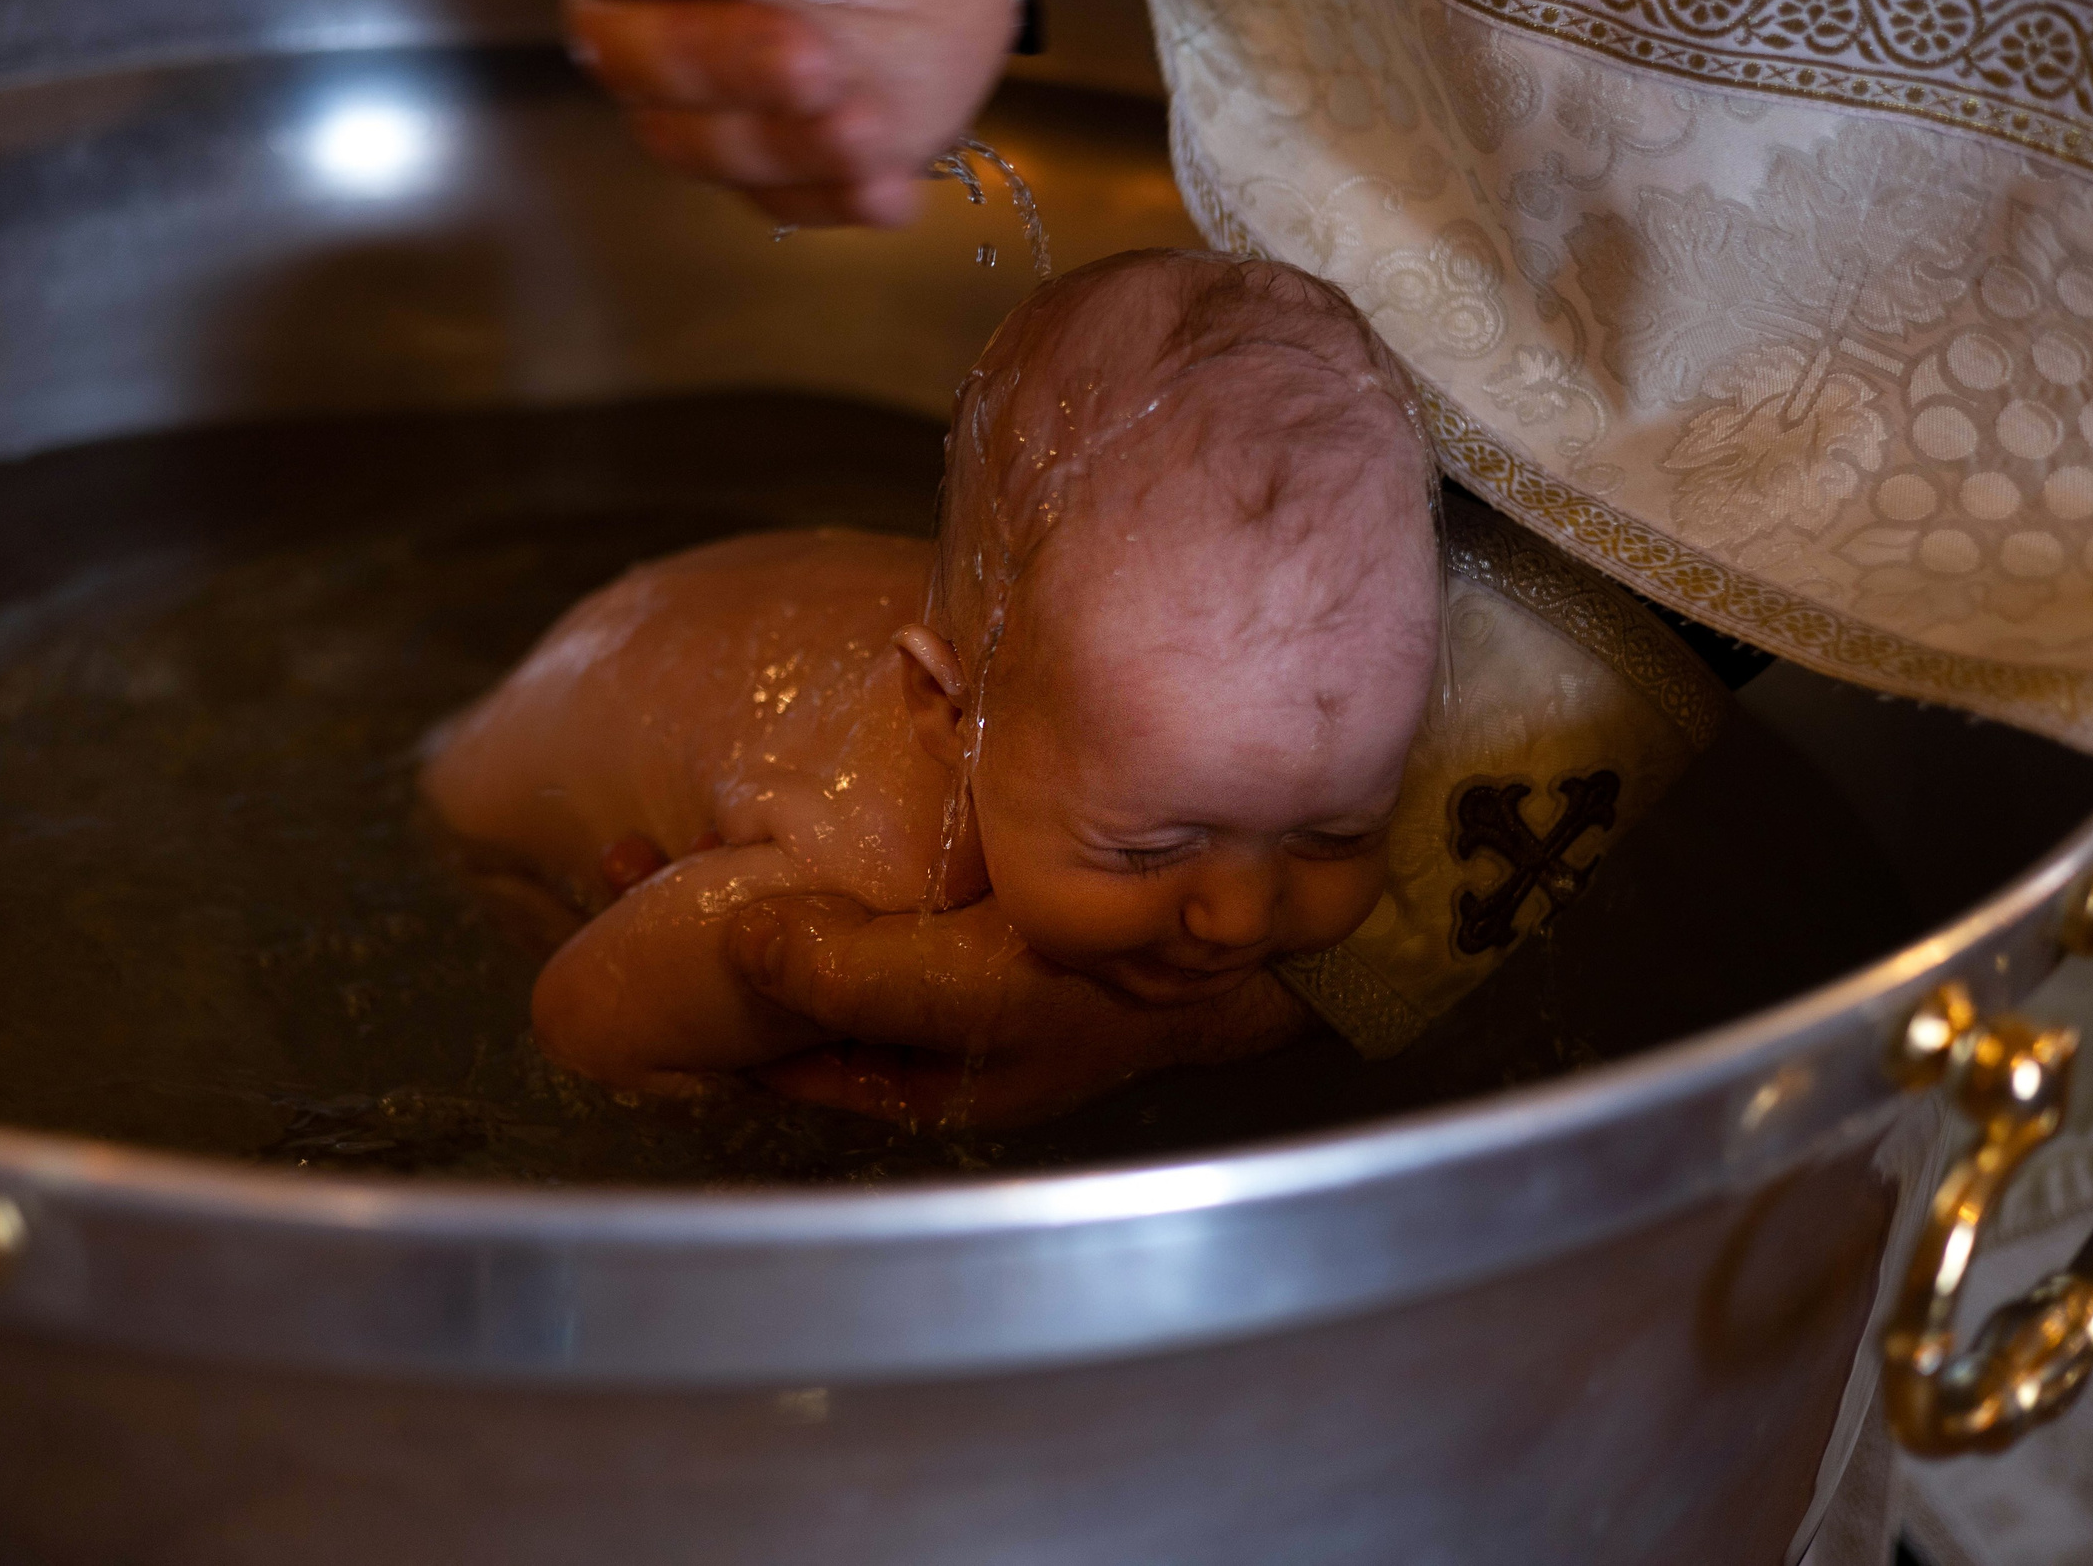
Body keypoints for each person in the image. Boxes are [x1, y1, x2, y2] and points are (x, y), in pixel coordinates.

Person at [423, 248, 1440, 1125]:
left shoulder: (1081, 690)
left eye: (1334, 835)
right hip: (480, 813)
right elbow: (579, 1026)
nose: (1238, 917)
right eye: (1152, 851)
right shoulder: (870, 872)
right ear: (952, 711)